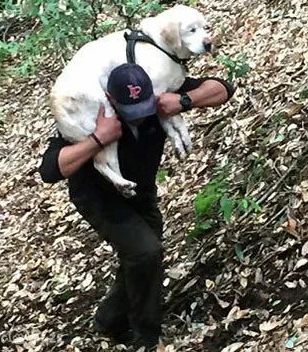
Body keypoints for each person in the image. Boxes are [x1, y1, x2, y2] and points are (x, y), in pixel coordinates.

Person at [38, 63, 234, 350]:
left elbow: (223, 89)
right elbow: (50, 170)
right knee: (145, 251)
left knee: (144, 255)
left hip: (141, 193)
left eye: (144, 107)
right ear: (110, 98)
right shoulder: (90, 113)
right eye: (131, 111)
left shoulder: (157, 95)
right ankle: (146, 338)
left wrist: (183, 100)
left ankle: (109, 320)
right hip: (98, 197)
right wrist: (97, 139)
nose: (140, 117)